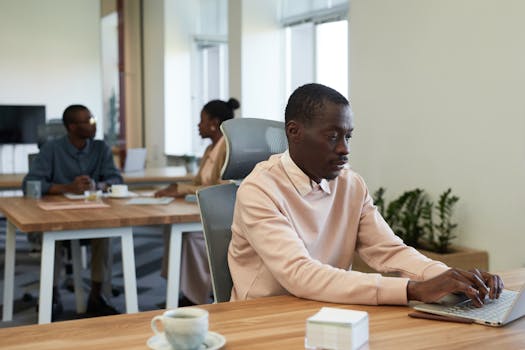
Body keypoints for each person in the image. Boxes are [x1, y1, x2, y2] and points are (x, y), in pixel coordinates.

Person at [228, 83, 503, 307]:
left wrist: (450, 278)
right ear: (294, 132)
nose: (344, 149)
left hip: (327, 310)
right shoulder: (259, 189)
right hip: (263, 317)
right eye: (333, 136)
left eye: (348, 137)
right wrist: (413, 290)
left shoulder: (351, 185)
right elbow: (300, 275)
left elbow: (390, 251)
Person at [22, 104, 123, 318]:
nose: (93, 125)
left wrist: (97, 185)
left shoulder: (100, 148)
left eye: (92, 119)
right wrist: (65, 187)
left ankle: (97, 296)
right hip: (57, 215)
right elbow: (30, 183)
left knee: (105, 233)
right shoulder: (51, 149)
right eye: (87, 121)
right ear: (71, 126)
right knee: (52, 233)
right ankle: (52, 295)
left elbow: (116, 180)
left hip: (93, 214)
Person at [155, 98, 240, 305]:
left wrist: (182, 189)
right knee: (172, 229)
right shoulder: (210, 149)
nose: (198, 126)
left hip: (222, 215)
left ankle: (196, 297)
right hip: (204, 208)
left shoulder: (227, 148)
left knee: (191, 235)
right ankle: (183, 289)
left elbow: (222, 186)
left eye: (201, 121)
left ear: (214, 122)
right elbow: (197, 182)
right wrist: (177, 187)